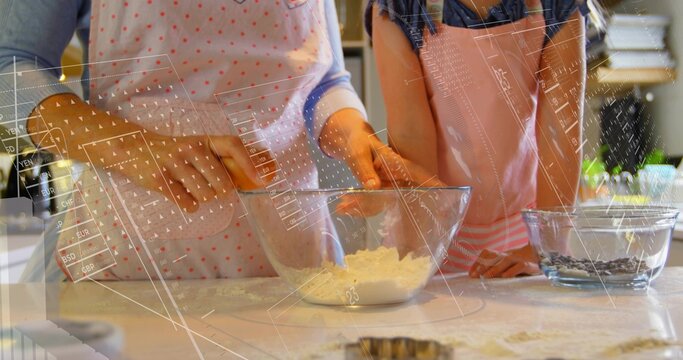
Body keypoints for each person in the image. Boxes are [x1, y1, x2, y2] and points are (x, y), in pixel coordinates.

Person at [0, 0, 434, 281]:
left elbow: (324, 78)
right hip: (139, 266)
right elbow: (10, 71)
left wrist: (353, 134)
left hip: (294, 265)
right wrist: (133, 146)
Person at [366, 0, 591, 277]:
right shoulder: (399, 7)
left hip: (524, 230)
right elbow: (411, 134)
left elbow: (560, 135)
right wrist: (419, 252)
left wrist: (545, 245)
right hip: (428, 224)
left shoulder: (557, 5)